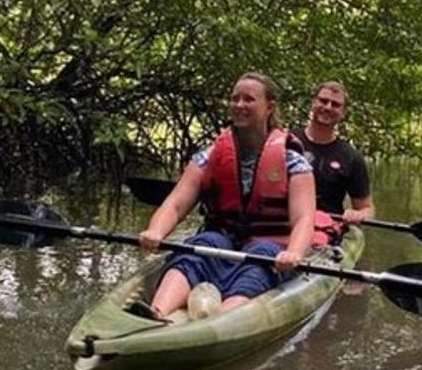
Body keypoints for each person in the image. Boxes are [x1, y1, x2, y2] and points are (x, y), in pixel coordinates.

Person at [134, 73, 317, 320]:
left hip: (271, 246)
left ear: (269, 107)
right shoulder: (208, 157)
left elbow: (304, 218)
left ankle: (221, 320)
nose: (239, 105)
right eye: (235, 99)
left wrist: (294, 252)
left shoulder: (293, 163)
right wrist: (156, 231)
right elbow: (175, 205)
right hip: (222, 240)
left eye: (249, 99)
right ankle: (157, 312)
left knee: (261, 257)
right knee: (202, 245)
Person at [291, 81, 375, 225]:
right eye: (323, 101)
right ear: (313, 103)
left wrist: (358, 214)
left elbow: (367, 208)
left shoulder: (351, 158)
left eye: (335, 105)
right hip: (286, 222)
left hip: (327, 229)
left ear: (343, 112)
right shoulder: (287, 141)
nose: (328, 107)